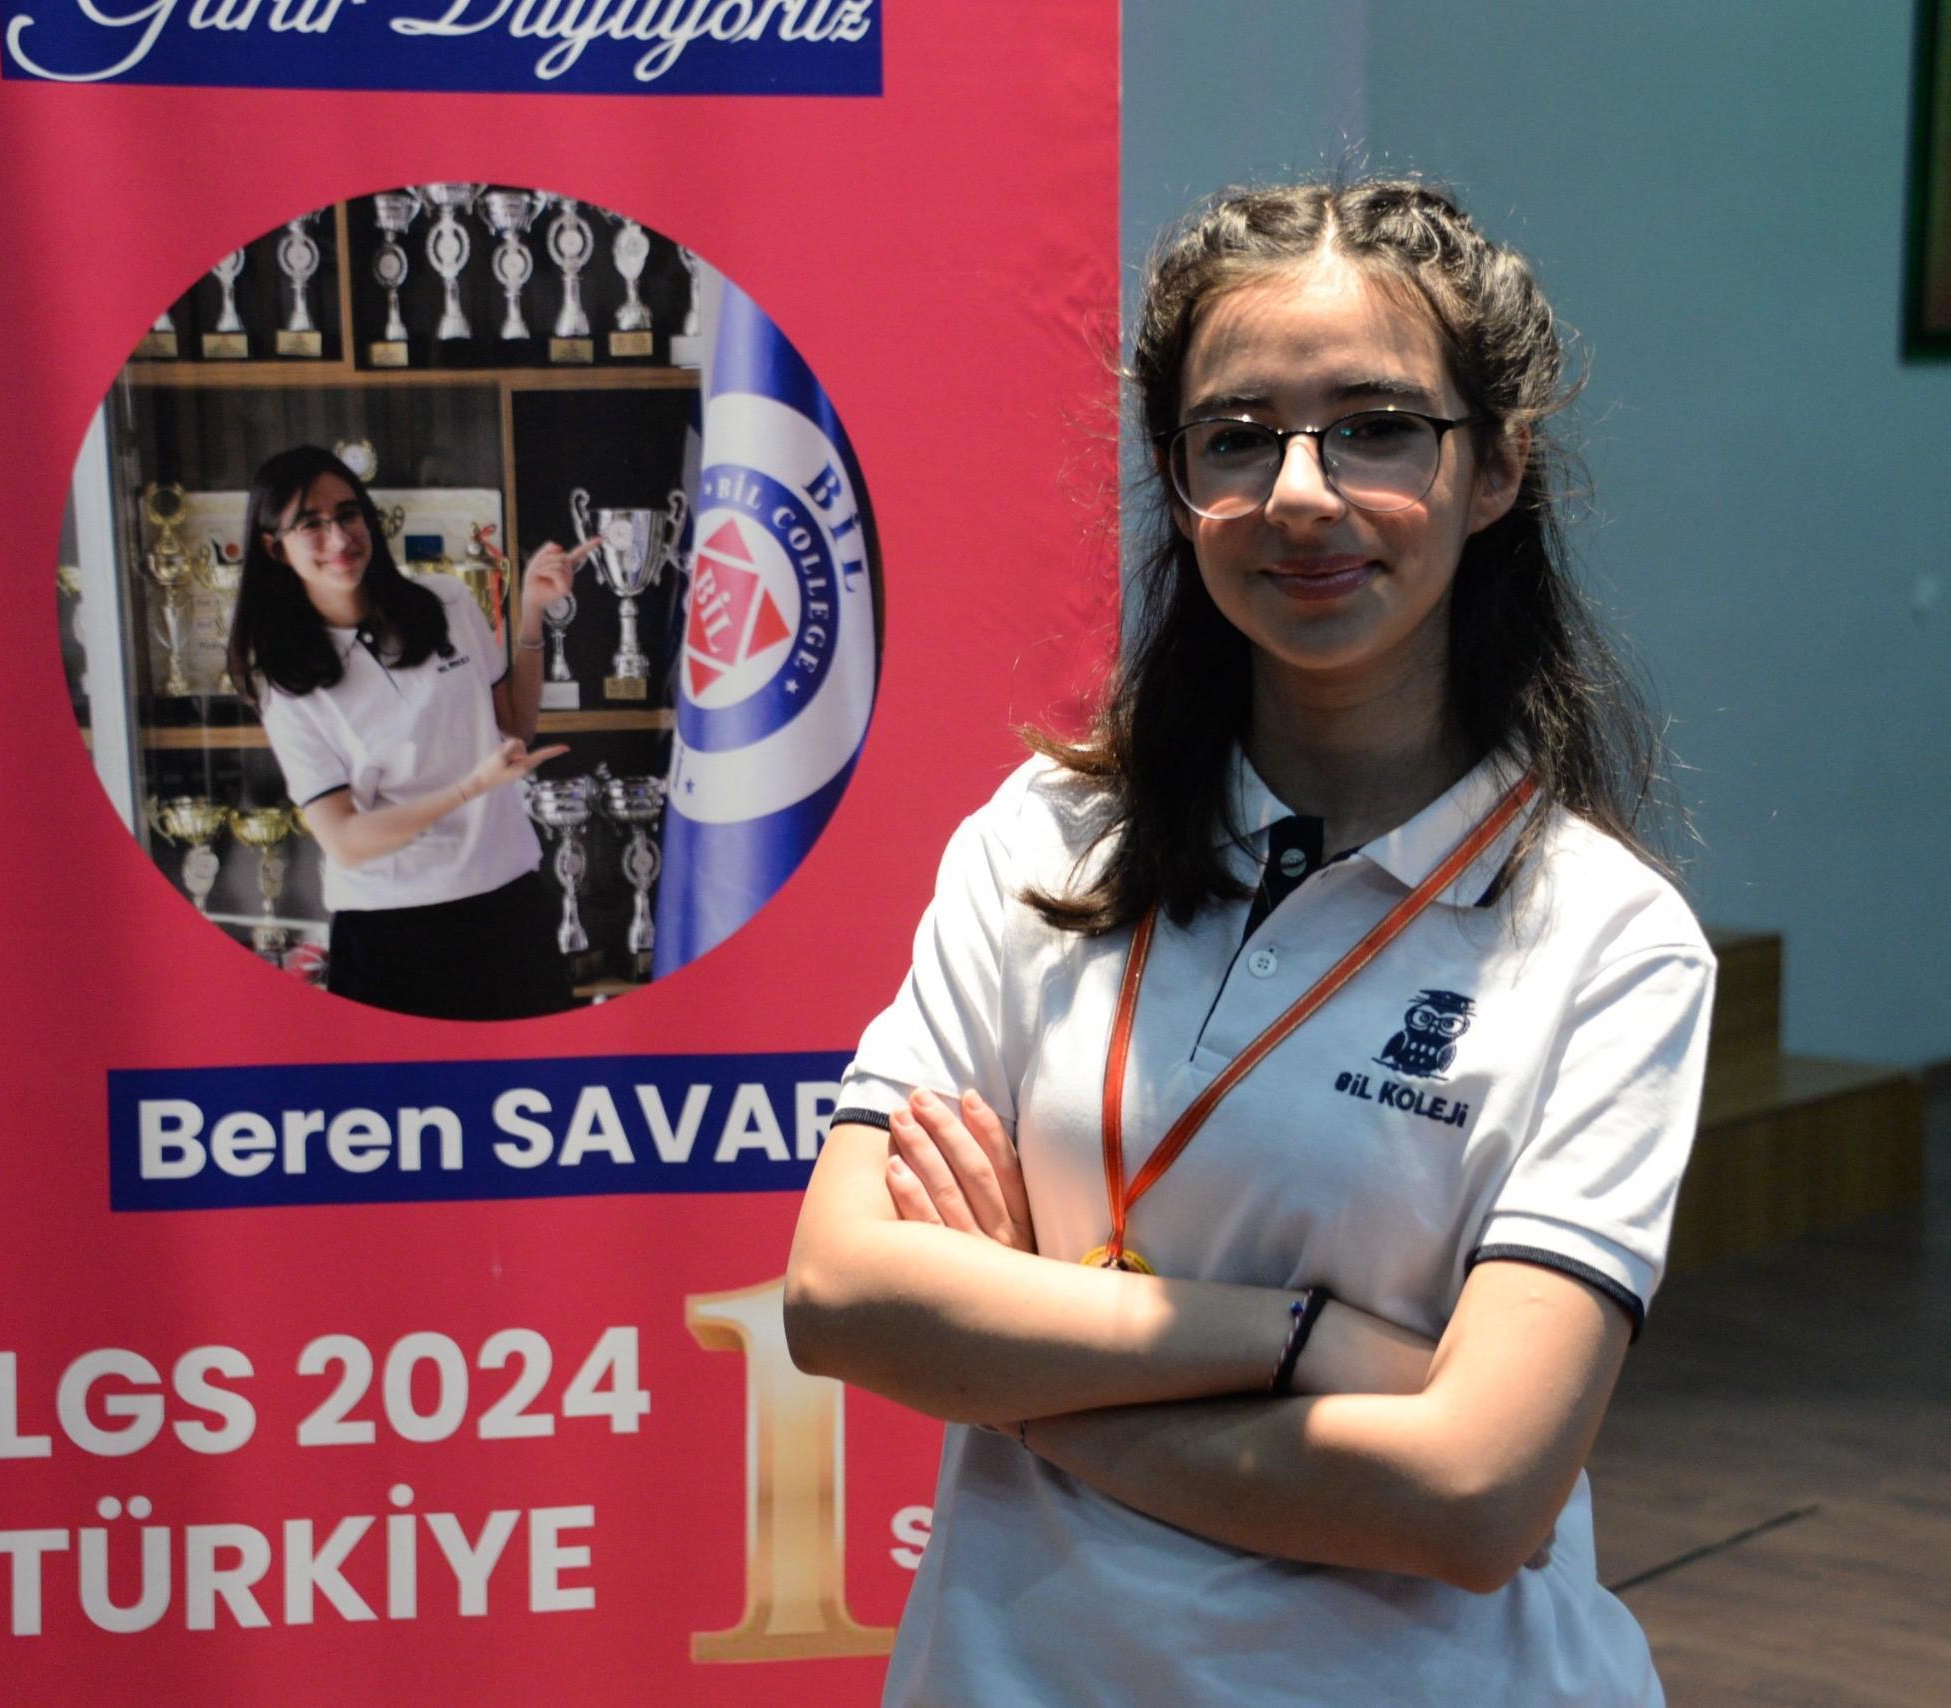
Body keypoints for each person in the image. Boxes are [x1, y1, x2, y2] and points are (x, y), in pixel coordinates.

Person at [785, 177, 1716, 1705]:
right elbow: (839, 1297)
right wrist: (1305, 1339)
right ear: (1178, 480)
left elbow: (1475, 1499)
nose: (1298, 493)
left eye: (1376, 427)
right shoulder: (1045, 839)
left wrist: (1012, 1357)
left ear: (1496, 468)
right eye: (1237, 437)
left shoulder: (1609, 944)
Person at [226, 444, 595, 1021]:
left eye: (348, 514)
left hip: (509, 909)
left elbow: (514, 727)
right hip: (390, 936)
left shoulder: (447, 602)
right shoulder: (283, 682)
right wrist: (470, 789)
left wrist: (532, 613)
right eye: (310, 525)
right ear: (275, 547)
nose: (339, 538)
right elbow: (345, 839)